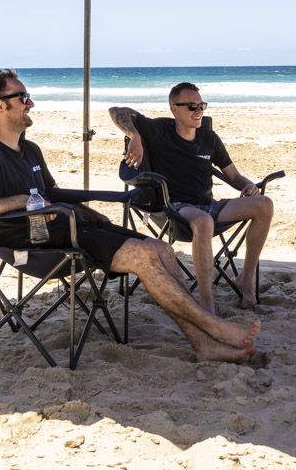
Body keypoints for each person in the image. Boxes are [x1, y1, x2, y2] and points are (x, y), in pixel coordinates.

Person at [0, 70, 261, 363]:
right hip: (32, 242)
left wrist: (96, 213)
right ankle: (214, 328)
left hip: (67, 226)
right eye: (23, 97)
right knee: (143, 256)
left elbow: (53, 194)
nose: (31, 103)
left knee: (162, 249)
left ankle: (204, 345)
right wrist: (20, 201)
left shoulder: (30, 151)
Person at [108, 83, 275, 312]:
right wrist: (134, 135)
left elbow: (234, 176)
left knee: (264, 205)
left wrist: (247, 185)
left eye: (201, 105)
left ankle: (245, 278)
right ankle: (207, 303)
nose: (198, 111)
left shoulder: (209, 138)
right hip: (173, 208)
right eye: (191, 106)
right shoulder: (159, 131)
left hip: (208, 206)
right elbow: (116, 110)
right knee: (204, 221)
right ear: (174, 109)